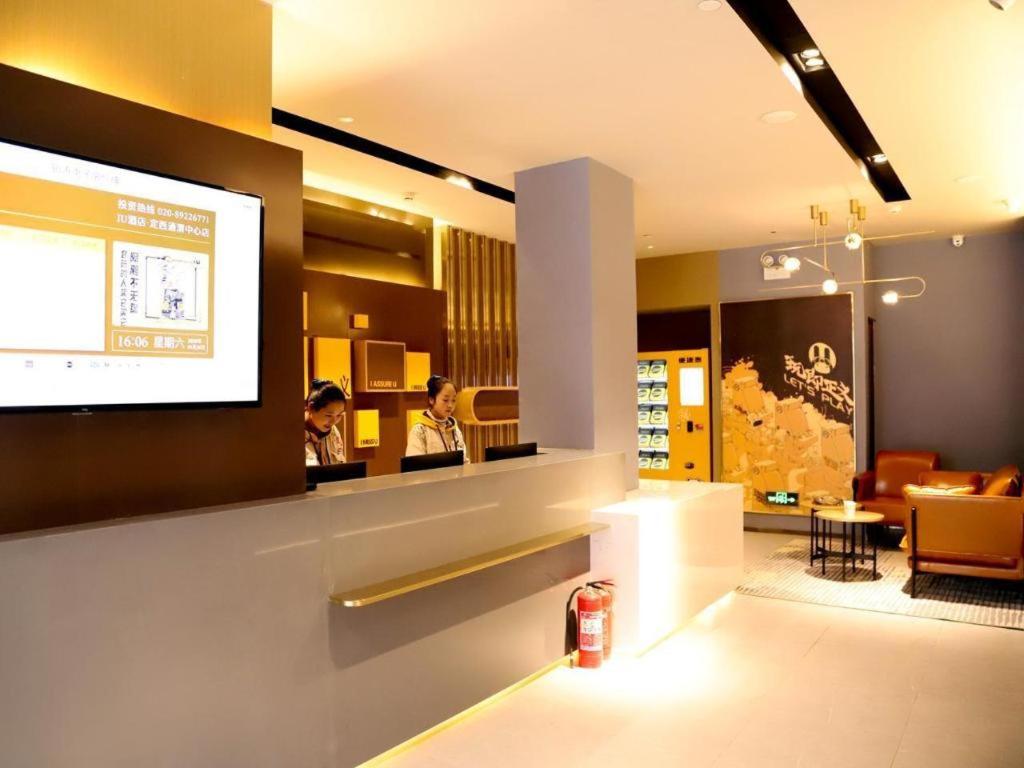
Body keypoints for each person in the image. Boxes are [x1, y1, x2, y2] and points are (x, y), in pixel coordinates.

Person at [406, 374, 469, 461]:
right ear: (431, 399)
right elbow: (414, 465)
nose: (450, 405)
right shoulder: (420, 430)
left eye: (453, 400)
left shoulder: (454, 429)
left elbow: (464, 461)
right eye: (445, 400)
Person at [304, 378, 347, 466]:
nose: (334, 421)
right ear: (311, 408)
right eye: (328, 415)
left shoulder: (333, 431)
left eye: (339, 415)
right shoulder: (292, 435)